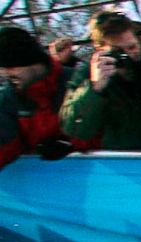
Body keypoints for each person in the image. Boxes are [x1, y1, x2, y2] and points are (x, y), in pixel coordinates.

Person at [59, 11, 141, 151]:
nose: (127, 55)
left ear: (139, 42)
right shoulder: (89, 72)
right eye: (117, 51)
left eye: (132, 47)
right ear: (101, 51)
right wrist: (94, 90)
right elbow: (74, 129)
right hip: (121, 156)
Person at [0, 26, 84, 167]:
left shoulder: (75, 82)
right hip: (40, 182)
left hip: (95, 177)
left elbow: (105, 133)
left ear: (30, 60)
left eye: (10, 67)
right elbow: (5, 146)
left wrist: (73, 145)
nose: (6, 74)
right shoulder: (10, 98)